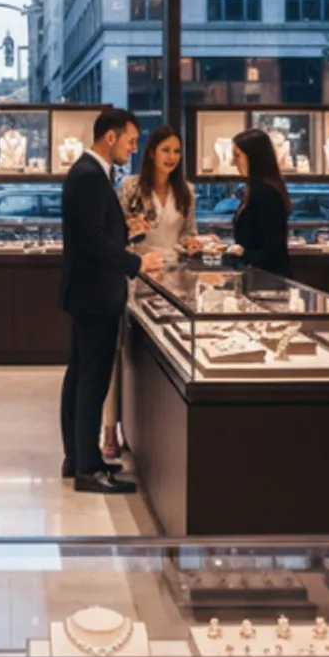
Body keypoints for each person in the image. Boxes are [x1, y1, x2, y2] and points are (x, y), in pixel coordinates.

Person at [59, 109, 163, 494]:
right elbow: (93, 241)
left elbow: (97, 232)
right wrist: (137, 263)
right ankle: (89, 470)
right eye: (131, 141)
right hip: (94, 294)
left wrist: (126, 232)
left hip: (87, 292)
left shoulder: (90, 173)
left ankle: (78, 458)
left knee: (80, 376)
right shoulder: (89, 175)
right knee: (92, 381)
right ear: (110, 137)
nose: (134, 148)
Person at [102, 125, 199, 460]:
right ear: (151, 153)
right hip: (136, 276)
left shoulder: (186, 190)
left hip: (174, 281)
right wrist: (132, 235)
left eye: (177, 151)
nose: (171, 157)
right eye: (165, 150)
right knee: (120, 352)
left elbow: (188, 234)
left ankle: (154, 431)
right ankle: (110, 428)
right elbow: (116, 236)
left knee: (166, 354)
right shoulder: (131, 187)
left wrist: (191, 244)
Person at [227, 127, 293, 277]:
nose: (233, 162)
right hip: (259, 276)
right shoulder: (255, 188)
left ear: (253, 157)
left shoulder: (265, 192)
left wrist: (242, 252)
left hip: (269, 279)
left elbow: (273, 250)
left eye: (237, 155)